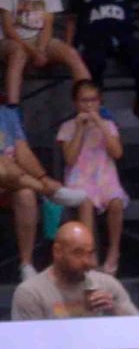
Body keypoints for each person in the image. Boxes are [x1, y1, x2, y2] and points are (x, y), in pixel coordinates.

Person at [2, 0, 88, 106]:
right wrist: (33, 52)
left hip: (39, 39)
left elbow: (48, 24)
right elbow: (7, 28)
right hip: (11, 40)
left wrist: (40, 49)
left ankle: (89, 104)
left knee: (71, 53)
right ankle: (12, 108)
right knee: (19, 54)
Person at [0, 106, 84, 278]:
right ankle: (51, 194)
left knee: (26, 195)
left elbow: (23, 152)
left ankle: (26, 264)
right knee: (4, 168)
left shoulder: (6, 114)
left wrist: (44, 177)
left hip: (12, 179)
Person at [55, 79, 126, 273]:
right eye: (83, 101)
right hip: (79, 179)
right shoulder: (67, 127)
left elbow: (117, 153)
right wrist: (80, 129)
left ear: (99, 101)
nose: (88, 105)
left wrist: (100, 125)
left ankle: (113, 252)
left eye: (93, 100)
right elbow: (69, 159)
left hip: (104, 177)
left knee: (116, 203)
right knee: (85, 202)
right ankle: (90, 254)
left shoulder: (109, 125)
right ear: (75, 103)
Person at [9, 220, 135, 320]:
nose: (87, 261)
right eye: (78, 253)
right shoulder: (31, 293)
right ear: (57, 251)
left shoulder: (107, 285)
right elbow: (29, 345)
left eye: (90, 253)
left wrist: (114, 309)